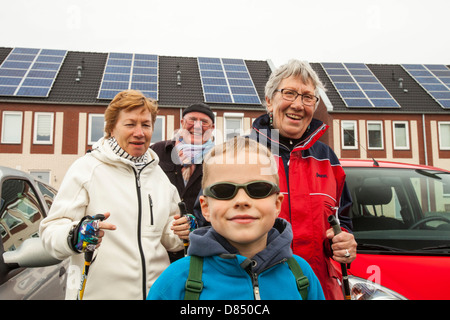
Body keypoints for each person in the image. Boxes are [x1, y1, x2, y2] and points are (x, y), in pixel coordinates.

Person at [39, 90, 190, 300]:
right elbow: (49, 232)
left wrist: (183, 230)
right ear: (111, 128)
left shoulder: (159, 176)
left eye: (146, 125)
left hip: (157, 294)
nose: (140, 132)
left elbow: (169, 238)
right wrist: (75, 235)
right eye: (130, 124)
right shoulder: (86, 169)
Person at [147, 136, 325, 300]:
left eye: (258, 189)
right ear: (206, 208)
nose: (241, 201)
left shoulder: (301, 275)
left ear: (277, 204)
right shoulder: (177, 281)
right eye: (224, 191)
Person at [250, 59, 357, 300]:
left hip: (319, 290)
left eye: (308, 97)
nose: (299, 105)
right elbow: (212, 223)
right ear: (269, 101)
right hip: (258, 291)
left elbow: (343, 220)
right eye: (289, 93)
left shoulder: (328, 159)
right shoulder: (240, 155)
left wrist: (344, 242)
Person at [151, 103, 215, 260]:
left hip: (199, 247)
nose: (197, 126)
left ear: (212, 128)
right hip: (158, 247)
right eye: (192, 119)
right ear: (182, 123)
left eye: (204, 122)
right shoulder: (157, 151)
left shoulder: (218, 159)